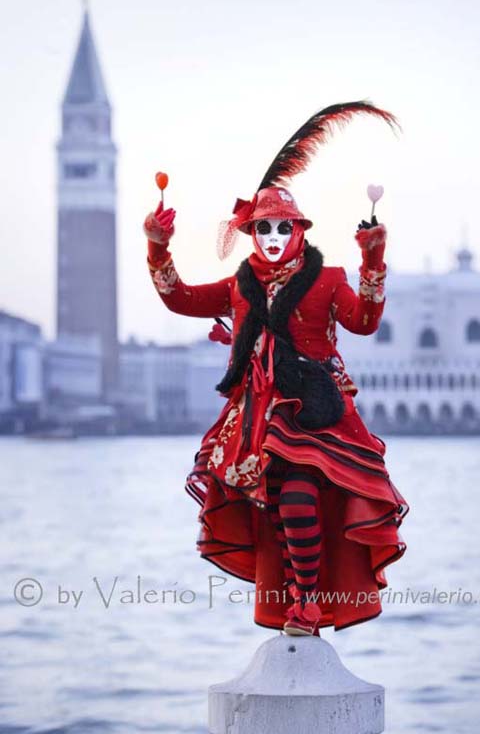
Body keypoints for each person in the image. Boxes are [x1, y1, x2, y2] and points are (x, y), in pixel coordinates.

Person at [143, 102, 409, 636]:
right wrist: (157, 245)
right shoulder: (239, 285)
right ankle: (297, 599)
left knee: (298, 491)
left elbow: (364, 321)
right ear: (252, 232)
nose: (272, 234)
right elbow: (178, 298)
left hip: (316, 408)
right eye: (262, 226)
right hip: (256, 412)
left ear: (298, 230)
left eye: (282, 226)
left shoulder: (328, 277)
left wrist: (373, 260)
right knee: (276, 505)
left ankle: (307, 601)